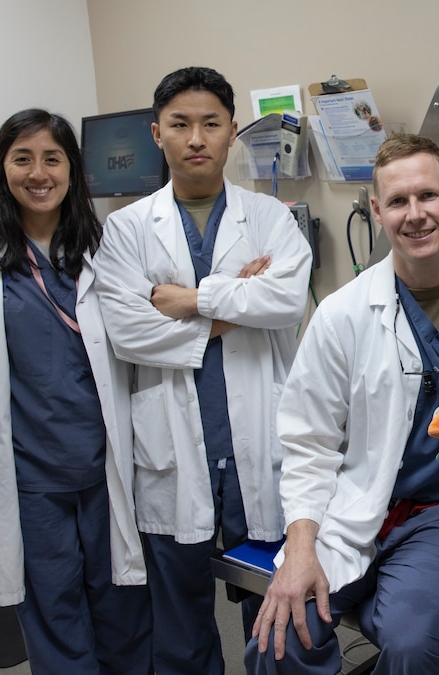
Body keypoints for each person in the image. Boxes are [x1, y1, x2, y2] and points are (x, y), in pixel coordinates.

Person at [245, 133, 439, 674]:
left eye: (427, 196)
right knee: (279, 636)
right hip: (354, 502)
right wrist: (301, 547)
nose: (415, 215)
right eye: (398, 202)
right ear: (377, 211)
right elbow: (308, 443)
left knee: (408, 646)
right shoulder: (342, 314)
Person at [93, 66, 312, 675]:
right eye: (180, 124)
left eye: (211, 124)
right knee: (180, 618)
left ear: (232, 131)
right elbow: (130, 333)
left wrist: (190, 301)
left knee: (275, 606)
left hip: (257, 441)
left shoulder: (269, 217)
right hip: (169, 444)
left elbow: (286, 302)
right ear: (155, 133)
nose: (196, 138)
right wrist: (234, 304)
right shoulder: (126, 228)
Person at [0, 108, 151, 674]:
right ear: (3, 169)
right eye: (22, 158)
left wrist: (227, 295)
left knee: (124, 605)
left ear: (72, 170)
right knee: (53, 609)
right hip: (27, 477)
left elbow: (155, 321)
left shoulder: (105, 251)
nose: (38, 172)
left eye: (52, 158)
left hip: (108, 468)